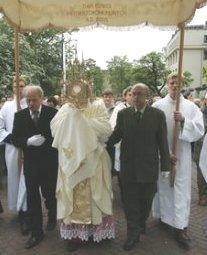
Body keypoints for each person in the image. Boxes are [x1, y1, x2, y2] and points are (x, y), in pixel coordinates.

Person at [50, 81, 115, 252]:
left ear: (90, 90)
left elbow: (106, 129)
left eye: (86, 89)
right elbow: (55, 130)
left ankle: (95, 231)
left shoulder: (98, 105)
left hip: (94, 160)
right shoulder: (65, 108)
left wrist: (81, 120)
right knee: (73, 194)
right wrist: (74, 114)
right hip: (70, 161)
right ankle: (77, 235)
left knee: (96, 195)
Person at [107, 83, 170, 251]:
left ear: (147, 96)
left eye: (139, 94)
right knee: (130, 203)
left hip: (149, 167)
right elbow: (116, 135)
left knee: (146, 200)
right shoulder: (123, 114)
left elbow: (163, 142)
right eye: (133, 94)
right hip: (128, 168)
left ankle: (141, 222)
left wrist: (165, 167)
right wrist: (100, 143)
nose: (135, 97)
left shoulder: (157, 115)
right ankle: (132, 233)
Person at [152, 73, 204, 250]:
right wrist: (164, 154)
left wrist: (184, 121)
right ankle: (165, 219)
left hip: (181, 156)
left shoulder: (190, 107)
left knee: (181, 191)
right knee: (164, 188)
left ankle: (181, 227)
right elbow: (151, 134)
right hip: (163, 156)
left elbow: (199, 130)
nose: (174, 84)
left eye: (178, 82)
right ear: (167, 84)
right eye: (171, 81)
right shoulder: (157, 106)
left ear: (182, 84)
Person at [12, 85, 58, 249]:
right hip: (31, 164)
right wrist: (27, 141)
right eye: (28, 100)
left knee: (50, 194)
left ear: (41, 98)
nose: (31, 103)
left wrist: (49, 141)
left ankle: (52, 215)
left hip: (49, 163)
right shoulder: (20, 116)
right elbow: (15, 138)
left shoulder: (53, 113)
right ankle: (37, 232)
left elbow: (59, 137)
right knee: (32, 198)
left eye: (34, 100)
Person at [0, 76, 29, 235]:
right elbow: (0, 127)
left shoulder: (30, 103)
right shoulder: (7, 106)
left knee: (29, 180)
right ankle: (20, 212)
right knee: (16, 180)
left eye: (22, 85)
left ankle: (28, 210)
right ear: (12, 87)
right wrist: (10, 138)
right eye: (16, 85)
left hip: (29, 150)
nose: (19, 88)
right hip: (13, 150)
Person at [109, 86, 132, 202]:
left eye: (134, 94)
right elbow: (113, 127)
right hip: (123, 146)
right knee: (123, 174)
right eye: (130, 95)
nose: (132, 97)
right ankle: (125, 198)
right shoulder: (119, 109)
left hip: (137, 149)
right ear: (125, 96)